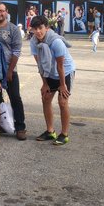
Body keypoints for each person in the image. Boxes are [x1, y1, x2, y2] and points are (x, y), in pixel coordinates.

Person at [30, 15, 74, 146]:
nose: (38, 31)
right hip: (49, 71)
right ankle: (50, 131)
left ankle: (64, 134)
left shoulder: (56, 42)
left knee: (62, 102)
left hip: (64, 72)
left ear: (47, 27)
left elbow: (60, 65)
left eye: (40, 28)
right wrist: (44, 83)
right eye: (35, 29)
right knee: (46, 97)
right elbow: (39, 64)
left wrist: (62, 85)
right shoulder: (34, 41)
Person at [0, 2, 27, 140]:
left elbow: (16, 52)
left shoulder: (13, 29)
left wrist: (10, 71)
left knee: (15, 98)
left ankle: (20, 127)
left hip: (10, 70)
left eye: (1, 11)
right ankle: (1, 124)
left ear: (6, 12)